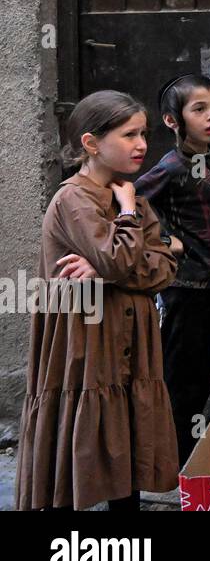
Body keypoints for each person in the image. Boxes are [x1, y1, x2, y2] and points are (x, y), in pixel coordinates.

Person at [15, 91, 178, 510]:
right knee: (79, 434)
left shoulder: (134, 197)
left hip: (128, 338)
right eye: (128, 135)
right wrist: (124, 222)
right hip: (87, 342)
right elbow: (121, 259)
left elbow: (163, 266)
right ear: (91, 143)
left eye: (143, 133)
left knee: (127, 435)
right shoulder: (74, 199)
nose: (141, 144)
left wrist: (105, 270)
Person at [136, 73, 210, 466]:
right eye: (199, 110)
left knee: (199, 372)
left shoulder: (208, 159)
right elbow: (127, 206)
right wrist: (163, 242)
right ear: (172, 120)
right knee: (181, 377)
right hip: (187, 287)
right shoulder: (171, 165)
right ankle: (171, 461)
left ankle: (185, 456)